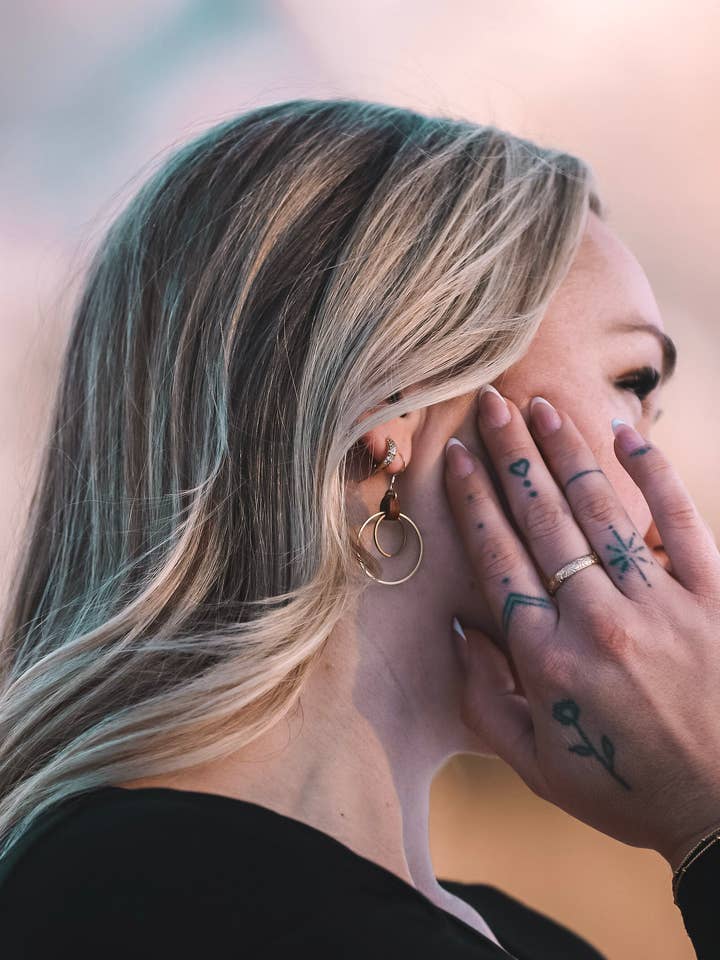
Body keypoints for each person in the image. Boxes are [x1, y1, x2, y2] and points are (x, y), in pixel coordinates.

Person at [0, 97, 717, 959]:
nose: (665, 494)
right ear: (391, 409)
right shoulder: (143, 905)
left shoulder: (528, 940)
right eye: (633, 381)